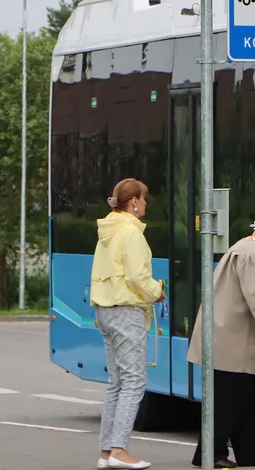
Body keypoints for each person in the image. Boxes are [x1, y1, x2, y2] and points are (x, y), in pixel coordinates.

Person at [187, 206, 255, 468]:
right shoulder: (252, 254)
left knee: (246, 397)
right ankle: (211, 454)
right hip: (233, 339)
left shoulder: (249, 249)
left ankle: (251, 453)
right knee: (229, 399)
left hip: (237, 338)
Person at [90, 178, 166, 470]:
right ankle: (120, 450)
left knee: (117, 382)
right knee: (134, 381)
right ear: (134, 201)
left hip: (106, 310)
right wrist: (156, 291)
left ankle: (106, 451)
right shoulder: (131, 233)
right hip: (127, 310)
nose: (146, 203)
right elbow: (136, 277)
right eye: (144, 199)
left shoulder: (107, 232)